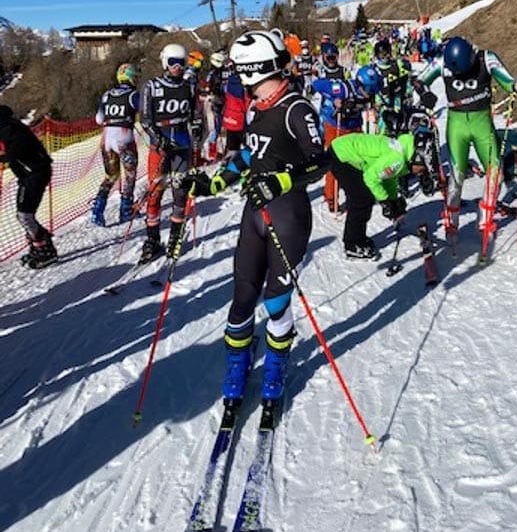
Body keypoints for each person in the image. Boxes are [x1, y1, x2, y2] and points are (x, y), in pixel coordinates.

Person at [187, 28, 326, 407]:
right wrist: (215, 183)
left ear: (256, 69)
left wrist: (280, 181)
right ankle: (238, 363)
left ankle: (276, 364)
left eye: (241, 72)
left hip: (288, 218)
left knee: (275, 302)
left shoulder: (296, 108)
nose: (240, 80)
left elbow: (320, 161)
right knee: (242, 298)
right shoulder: (255, 108)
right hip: (255, 215)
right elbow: (252, 154)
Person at [415, 36, 517, 235]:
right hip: (457, 126)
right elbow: (419, 81)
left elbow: (510, 84)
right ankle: (452, 219)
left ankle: (485, 218)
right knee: (457, 175)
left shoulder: (486, 58)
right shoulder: (441, 62)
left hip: (482, 125)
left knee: (495, 172)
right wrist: (425, 93)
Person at [329, 129, 434, 258]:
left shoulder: (402, 153)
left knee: (363, 196)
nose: (420, 173)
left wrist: (393, 201)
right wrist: (385, 201)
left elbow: (389, 178)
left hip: (345, 151)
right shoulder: (397, 159)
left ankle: (358, 238)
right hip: (341, 155)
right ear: (417, 158)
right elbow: (370, 178)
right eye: (422, 169)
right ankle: (353, 244)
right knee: (361, 199)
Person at [139, 43, 198, 262]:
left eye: (181, 63)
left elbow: (194, 114)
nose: (177, 67)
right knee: (155, 192)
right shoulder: (151, 86)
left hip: (181, 144)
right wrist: (158, 137)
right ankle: (152, 239)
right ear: (165, 62)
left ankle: (175, 236)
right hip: (160, 146)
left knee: (180, 191)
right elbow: (145, 120)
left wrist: (197, 128)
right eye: (173, 62)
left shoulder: (189, 86)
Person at [0, 105, 56, 268]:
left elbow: (17, 149)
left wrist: (3, 157)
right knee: (23, 215)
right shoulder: (6, 125)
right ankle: (40, 246)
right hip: (28, 174)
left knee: (24, 215)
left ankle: (45, 250)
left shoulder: (9, 128)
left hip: (36, 173)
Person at [90, 63, 140, 226]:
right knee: (130, 175)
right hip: (124, 137)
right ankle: (126, 210)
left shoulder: (107, 95)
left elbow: (99, 119)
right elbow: (145, 112)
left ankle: (97, 212)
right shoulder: (133, 95)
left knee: (110, 176)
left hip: (107, 138)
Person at [311, 73, 363, 210]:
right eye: (367, 89)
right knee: (335, 161)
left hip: (355, 126)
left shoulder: (373, 88)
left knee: (359, 161)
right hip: (336, 126)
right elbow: (317, 84)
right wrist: (334, 99)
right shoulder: (341, 88)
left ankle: (359, 195)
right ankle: (331, 198)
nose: (368, 93)